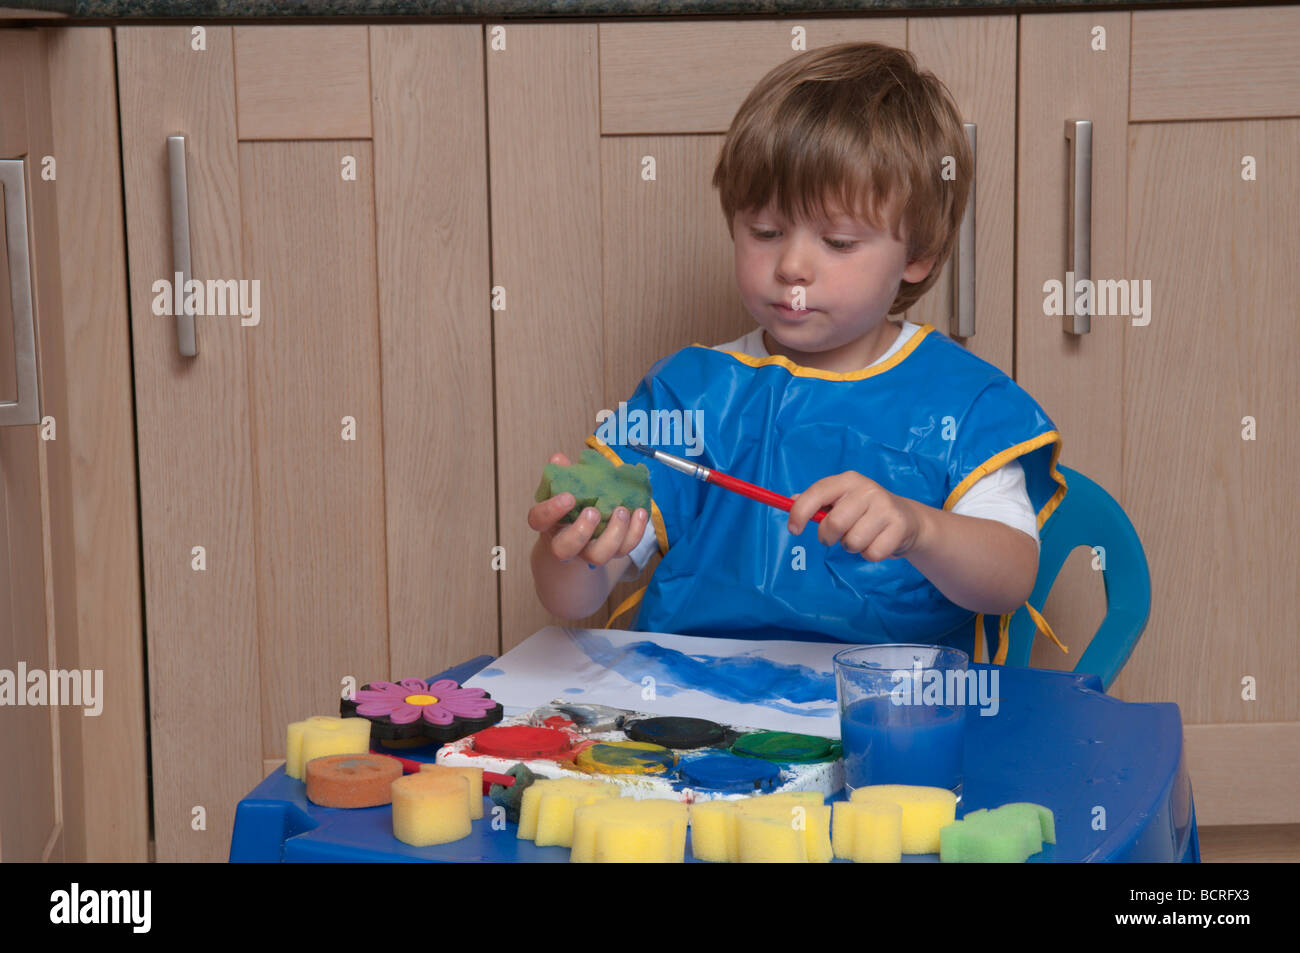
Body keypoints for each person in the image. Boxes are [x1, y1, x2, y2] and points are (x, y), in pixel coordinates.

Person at [529, 42, 1067, 664]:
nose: (791, 266)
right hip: (696, 717)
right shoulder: (690, 394)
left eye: (837, 241)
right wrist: (567, 549)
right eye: (765, 232)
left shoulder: (966, 403)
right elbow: (572, 600)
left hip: (886, 725)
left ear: (917, 254)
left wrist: (921, 528)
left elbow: (1008, 580)